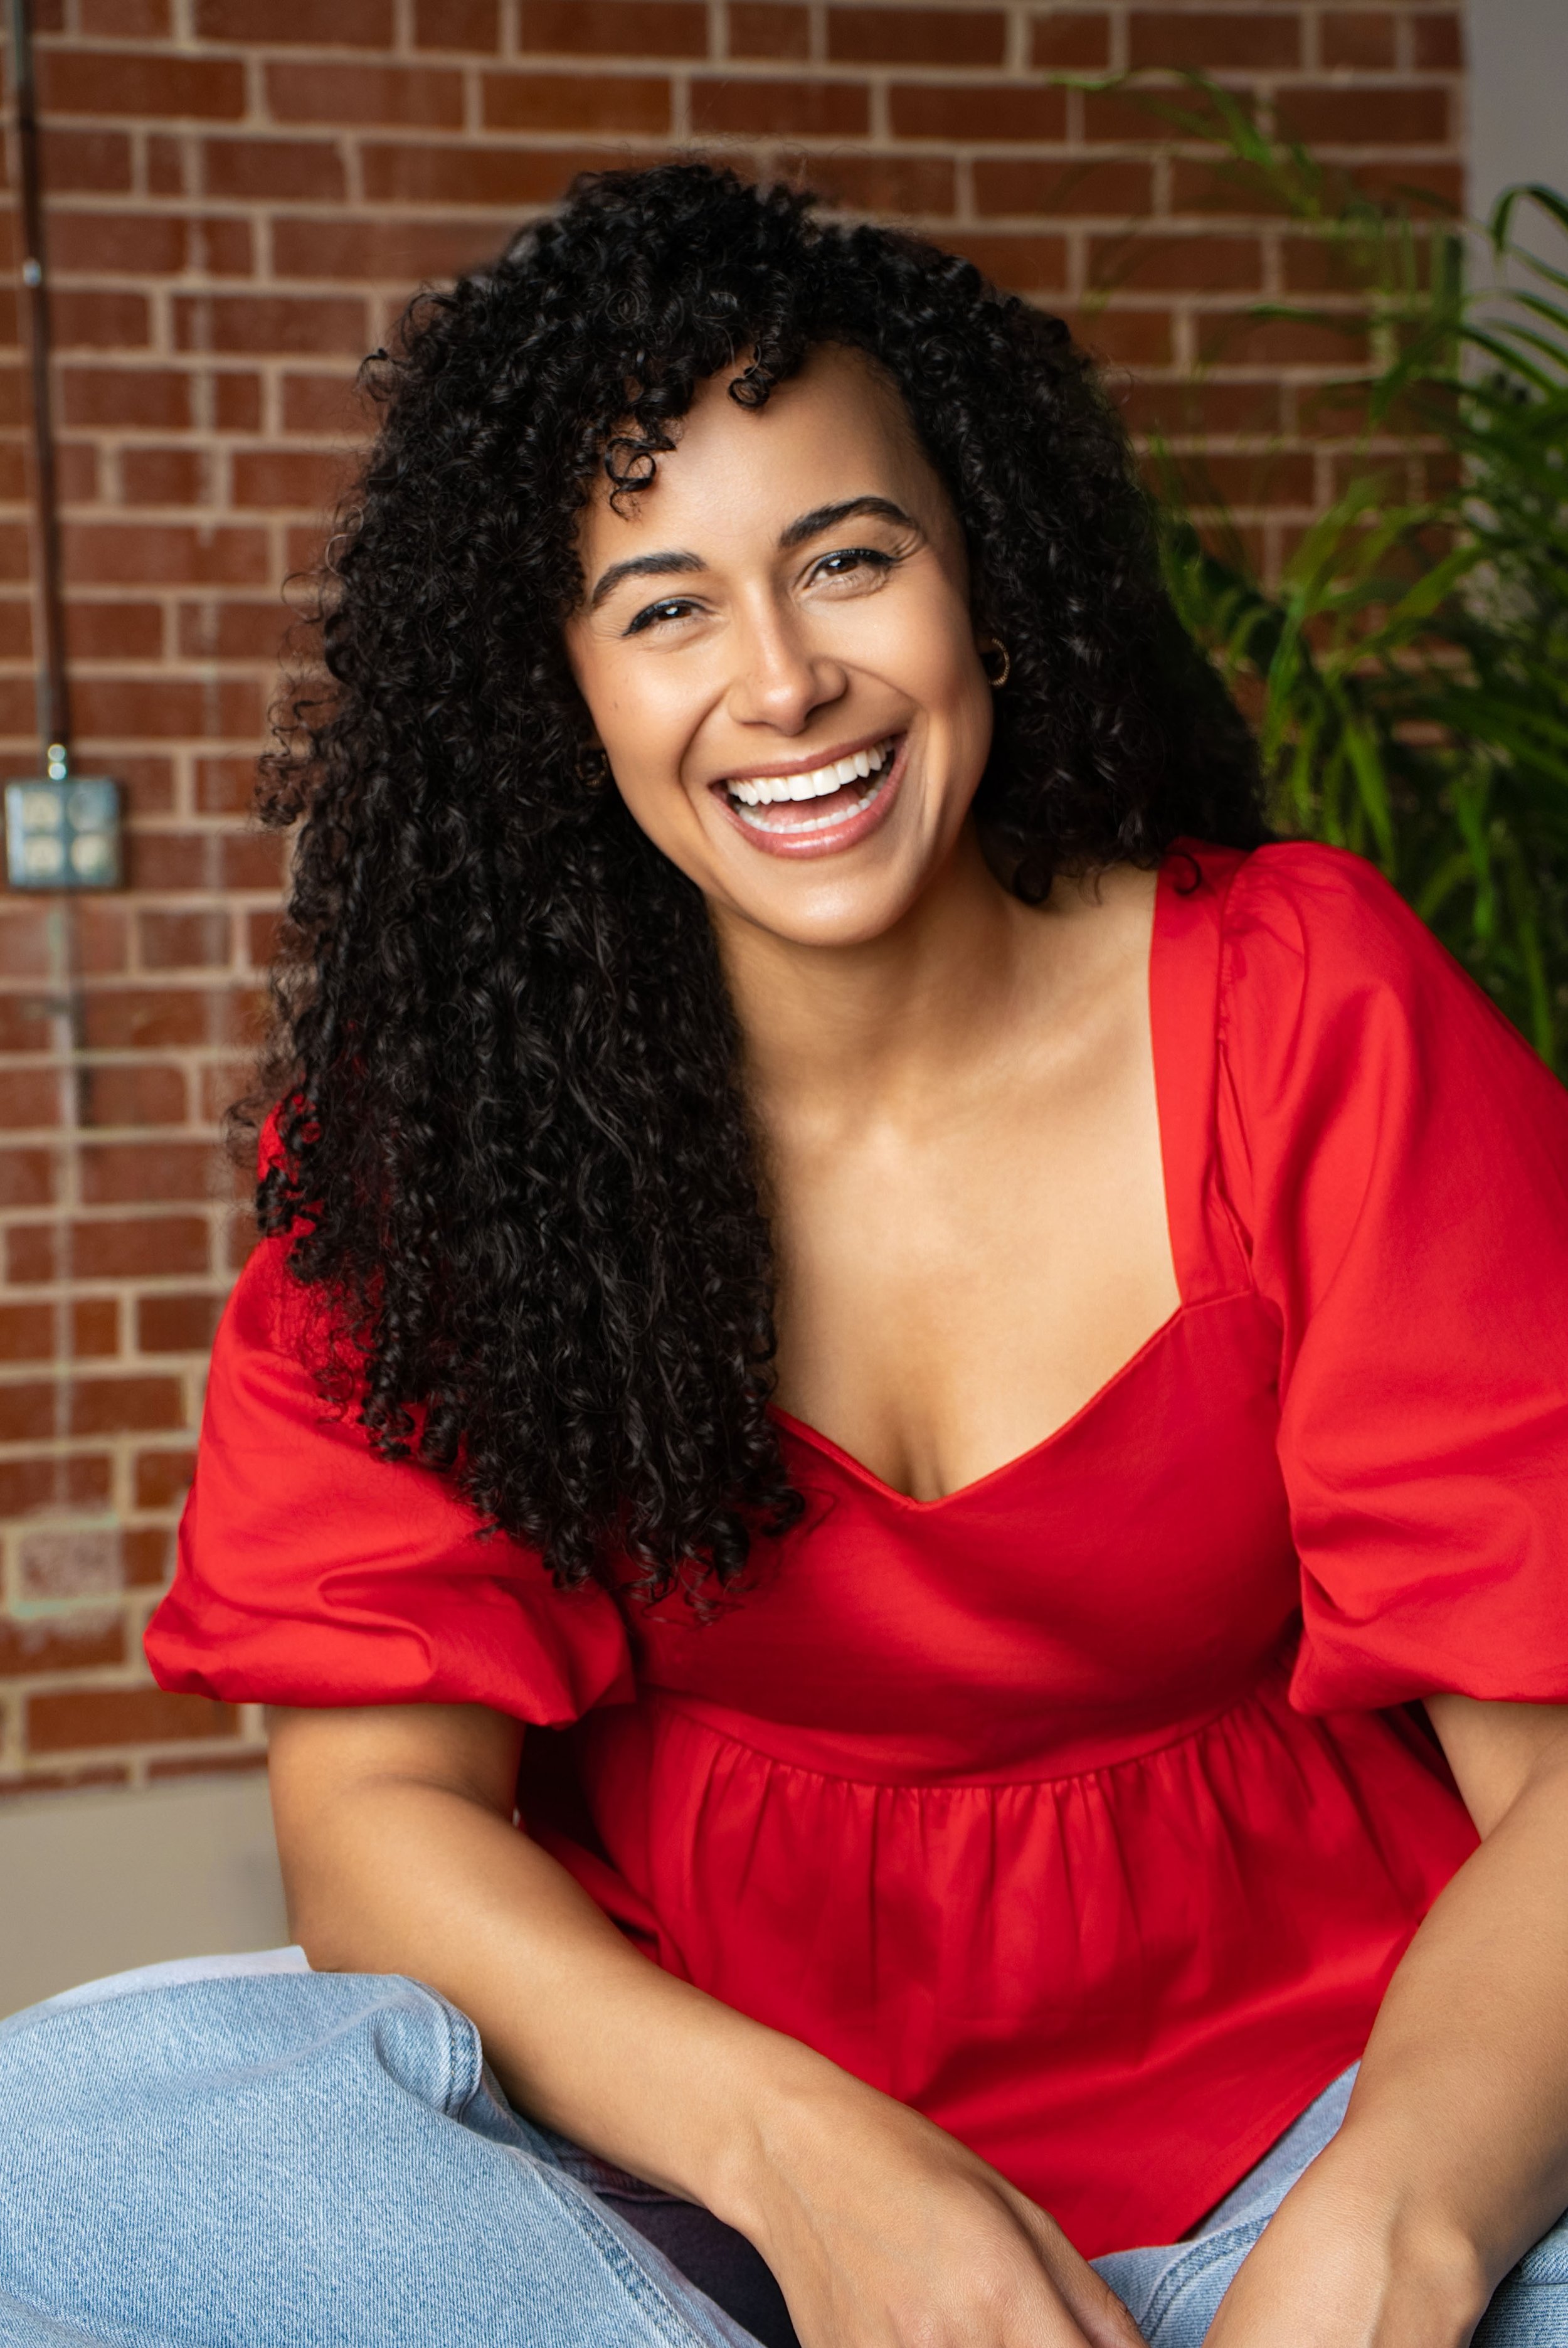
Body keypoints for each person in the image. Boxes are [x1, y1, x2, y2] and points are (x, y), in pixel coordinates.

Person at [2, 162, 1566, 2348]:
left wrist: (1397, 2239)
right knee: (38, 2159)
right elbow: (373, 1811)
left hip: (1334, 2117)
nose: (785, 681)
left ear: (982, 583)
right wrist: (805, 2168)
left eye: (849, 558)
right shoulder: (449, 1138)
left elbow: (1557, 1788)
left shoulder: (1306, 1008)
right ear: (558, 690)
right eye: (660, 606)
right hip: (691, 2202)